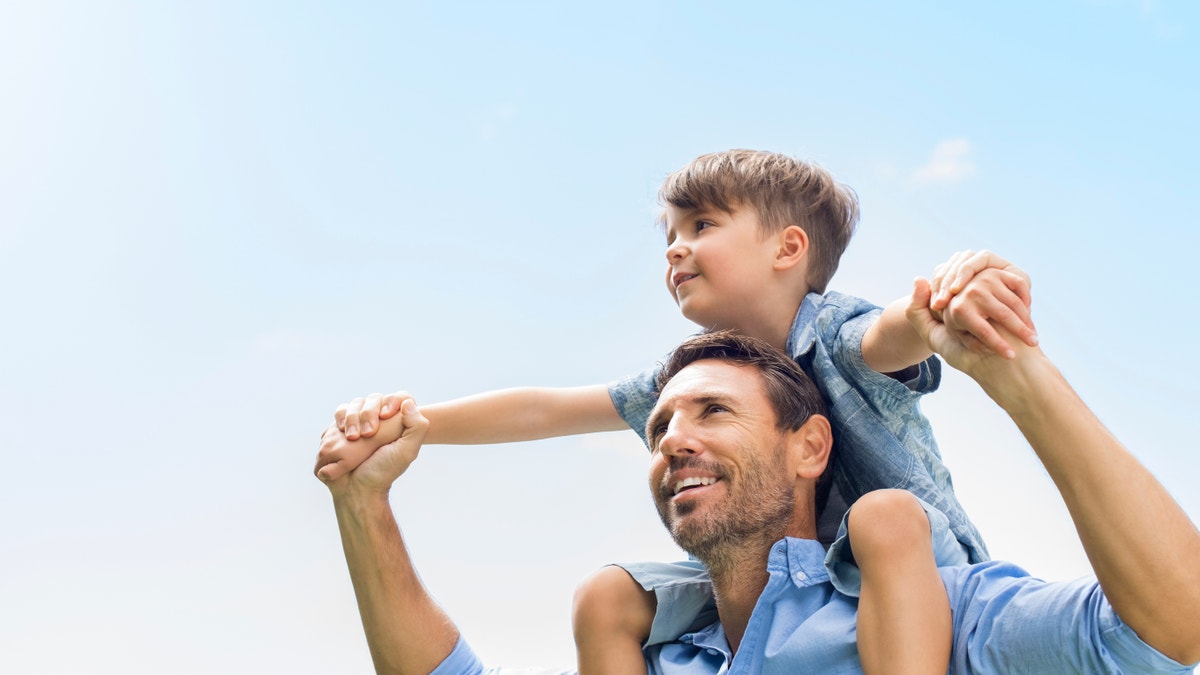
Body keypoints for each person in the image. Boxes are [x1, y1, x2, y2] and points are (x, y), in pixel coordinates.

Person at [313, 150, 1037, 674]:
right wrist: (413, 422)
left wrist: (942, 300)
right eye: (670, 236)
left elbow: (894, 334)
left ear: (789, 247)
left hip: (899, 568)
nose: (676, 248)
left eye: (700, 225)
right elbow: (543, 409)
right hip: (773, 579)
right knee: (609, 598)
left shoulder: (838, 331)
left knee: (883, 515)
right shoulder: (688, 379)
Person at [316, 288, 1200, 673]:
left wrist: (1020, 377)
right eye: (659, 427)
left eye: (713, 413)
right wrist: (364, 502)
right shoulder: (655, 656)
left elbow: (1168, 630)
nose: (672, 441)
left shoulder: (930, 618)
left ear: (813, 446)